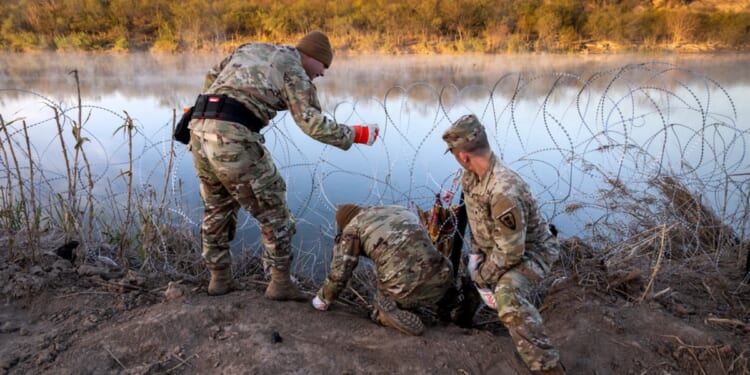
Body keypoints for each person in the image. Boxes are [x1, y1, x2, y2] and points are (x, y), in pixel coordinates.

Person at [187, 31, 380, 299]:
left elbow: (212, 74)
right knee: (273, 210)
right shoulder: (293, 69)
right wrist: (357, 134)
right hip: (233, 137)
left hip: (198, 130)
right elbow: (311, 123)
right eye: (324, 66)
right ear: (311, 56)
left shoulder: (251, 48)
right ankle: (280, 284)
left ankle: (219, 279)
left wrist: (208, 107)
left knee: (216, 207)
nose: (323, 74)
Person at [442, 114, 565, 375]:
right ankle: (461, 323)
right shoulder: (472, 178)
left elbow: (512, 252)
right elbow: (478, 225)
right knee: (472, 274)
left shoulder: (503, 190)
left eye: (453, 153)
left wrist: (483, 275)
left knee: (507, 296)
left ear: (464, 156)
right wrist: (475, 260)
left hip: (532, 251)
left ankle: (548, 367)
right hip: (499, 247)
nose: (455, 159)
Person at [311, 204, 457, 336]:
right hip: (443, 275)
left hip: (407, 286)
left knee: (378, 307)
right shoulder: (397, 210)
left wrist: (323, 299)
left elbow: (340, 272)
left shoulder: (352, 228)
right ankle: (452, 304)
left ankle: (386, 315)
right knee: (425, 269)